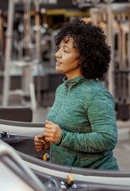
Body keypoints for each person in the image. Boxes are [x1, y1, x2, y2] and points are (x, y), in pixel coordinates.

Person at [34, 18, 118, 170]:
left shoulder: (96, 94)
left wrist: (62, 138)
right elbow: (66, 131)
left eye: (65, 50)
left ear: (83, 58)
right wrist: (50, 141)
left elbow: (107, 139)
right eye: (59, 48)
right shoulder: (62, 89)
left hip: (94, 181)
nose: (57, 55)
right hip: (66, 175)